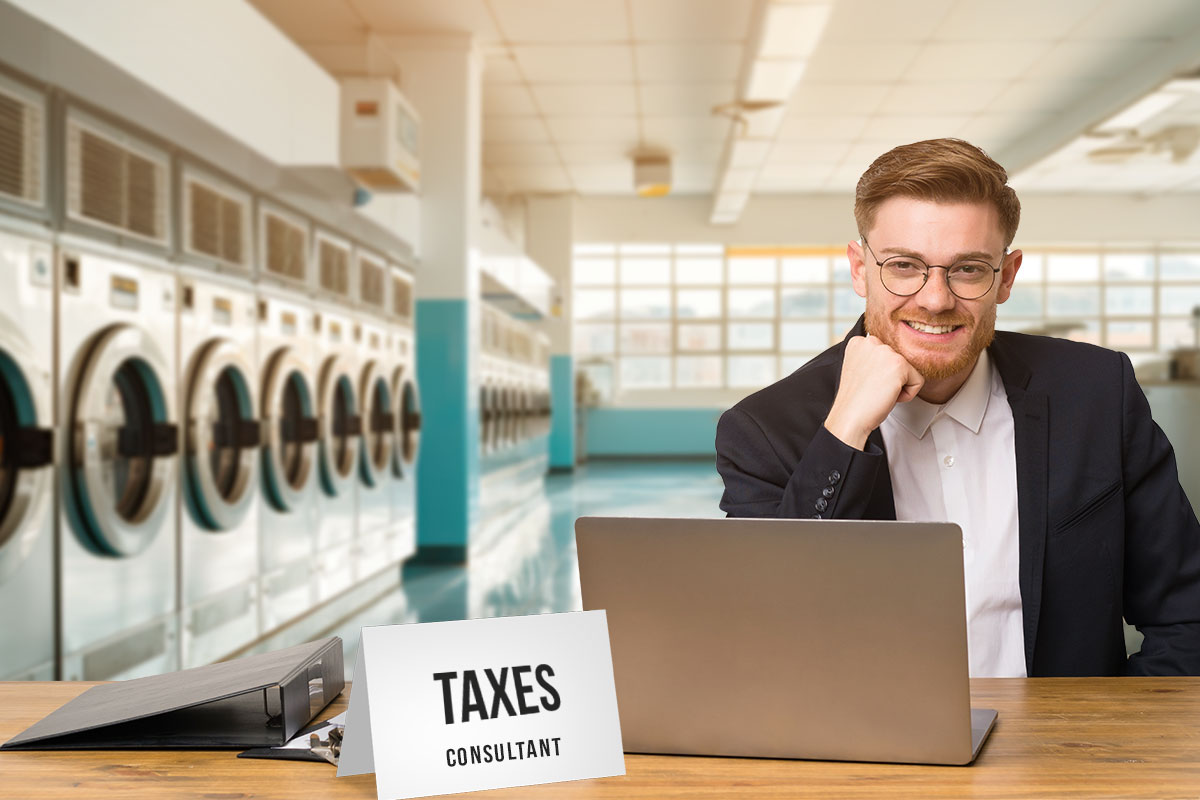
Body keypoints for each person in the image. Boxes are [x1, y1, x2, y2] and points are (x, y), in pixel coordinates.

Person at [714, 138, 1200, 677]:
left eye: (968, 269)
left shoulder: (1096, 392)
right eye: (904, 265)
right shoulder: (763, 430)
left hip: (1070, 751)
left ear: (1006, 277)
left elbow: (1187, 616)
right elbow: (766, 635)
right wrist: (844, 431)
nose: (935, 299)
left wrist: (1113, 747)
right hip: (868, 756)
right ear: (859, 269)